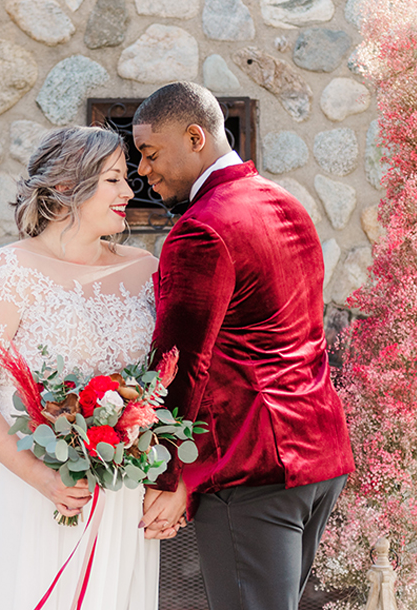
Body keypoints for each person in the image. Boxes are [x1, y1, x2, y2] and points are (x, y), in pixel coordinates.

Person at [134, 82, 355, 610]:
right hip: (318, 454)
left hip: (252, 465)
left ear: (194, 137)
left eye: (149, 152)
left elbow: (177, 366)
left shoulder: (202, 230)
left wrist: (166, 473)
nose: (143, 170)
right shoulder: (287, 204)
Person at [0, 126, 161, 609]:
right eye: (112, 180)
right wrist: (43, 478)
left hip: (121, 499)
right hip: (31, 493)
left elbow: (163, 383)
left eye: (125, 178)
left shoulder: (145, 269)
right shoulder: (5, 273)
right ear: (65, 189)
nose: (129, 192)